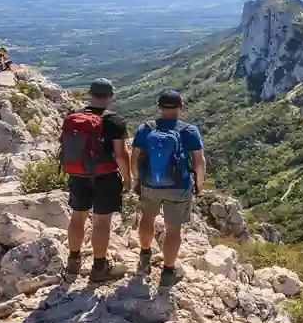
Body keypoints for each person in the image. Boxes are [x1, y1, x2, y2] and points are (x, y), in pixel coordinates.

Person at [131, 90, 206, 287]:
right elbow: (199, 162)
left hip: (149, 183)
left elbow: (134, 156)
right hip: (178, 186)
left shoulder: (146, 129)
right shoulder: (189, 131)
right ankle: (167, 272)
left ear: (159, 107)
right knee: (173, 229)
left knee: (147, 218)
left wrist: (137, 180)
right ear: (181, 107)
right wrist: (198, 184)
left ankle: (145, 257)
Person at [59, 78, 132, 282]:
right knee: (101, 221)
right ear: (110, 97)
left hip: (78, 173)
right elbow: (120, 154)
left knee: (78, 216)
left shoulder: (74, 115)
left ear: (90, 94)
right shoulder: (114, 121)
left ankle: (73, 261)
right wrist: (128, 179)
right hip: (105, 176)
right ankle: (99, 267)